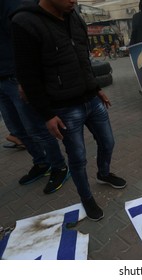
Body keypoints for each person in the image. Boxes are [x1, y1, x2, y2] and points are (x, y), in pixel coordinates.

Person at [11, 0, 127, 221]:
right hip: (64, 109)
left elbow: (83, 59)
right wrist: (46, 114)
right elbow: (28, 76)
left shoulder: (73, 15)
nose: (73, 0)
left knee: (108, 142)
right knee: (78, 158)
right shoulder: (25, 22)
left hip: (91, 99)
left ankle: (103, 174)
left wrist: (97, 88)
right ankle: (86, 197)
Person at [1, 0, 69, 194]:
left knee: (36, 129)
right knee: (17, 130)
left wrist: (24, 80)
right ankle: (41, 162)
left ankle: (59, 166)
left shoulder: (11, 5)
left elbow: (22, 45)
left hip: (15, 78)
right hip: (1, 80)